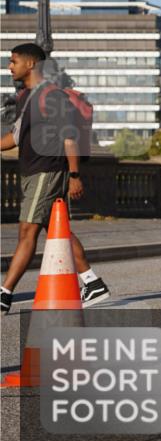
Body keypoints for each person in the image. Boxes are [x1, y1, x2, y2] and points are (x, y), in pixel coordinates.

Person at [1, 43, 109, 315]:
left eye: (13, 61)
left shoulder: (52, 97)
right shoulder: (26, 96)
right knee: (58, 232)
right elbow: (15, 137)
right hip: (33, 171)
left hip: (47, 171)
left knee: (27, 232)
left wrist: (74, 175)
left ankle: (4, 292)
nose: (9, 66)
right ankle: (92, 282)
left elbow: (69, 137)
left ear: (31, 64)